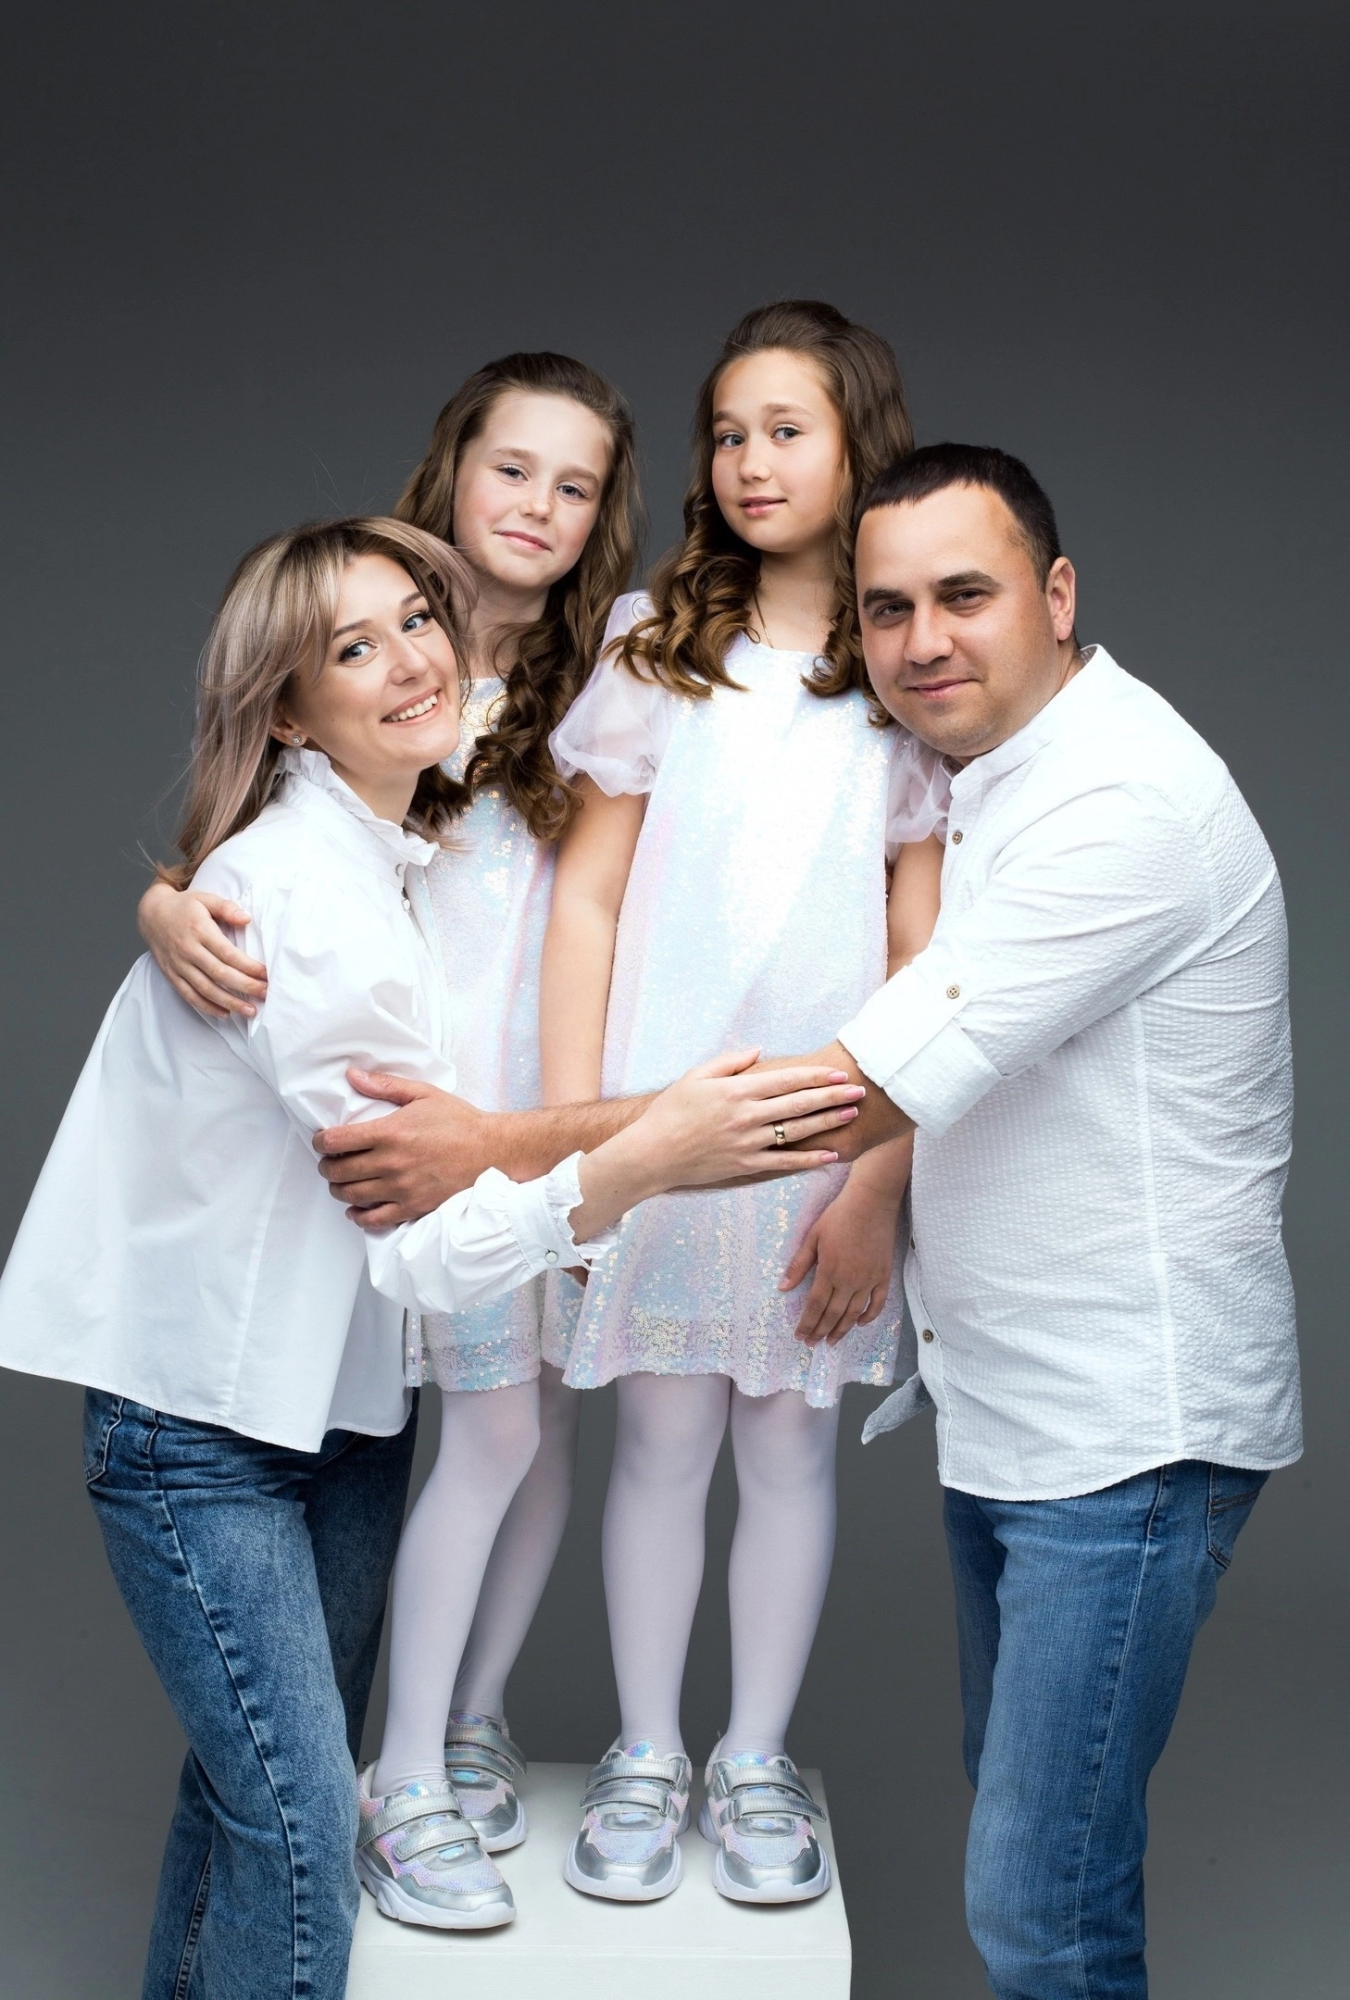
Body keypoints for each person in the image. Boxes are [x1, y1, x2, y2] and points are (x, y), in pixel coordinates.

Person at [315, 448, 1301, 1995]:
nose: (921, 640)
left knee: (1041, 1905)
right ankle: (619, 1754)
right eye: (889, 606)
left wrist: (495, 1147)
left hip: (1123, 1431)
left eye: (964, 596)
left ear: (1056, 595)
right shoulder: (995, 777)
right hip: (1025, 1415)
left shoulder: (1120, 806)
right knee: (1036, 1854)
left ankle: (737, 1763)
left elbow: (854, 1089)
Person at [0, 516, 862, 1997]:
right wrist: (646, 1155)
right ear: (288, 710)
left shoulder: (395, 840)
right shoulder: (296, 900)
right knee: (296, 1826)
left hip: (330, 1412)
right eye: (353, 647)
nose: (411, 662)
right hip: (199, 1425)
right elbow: (423, 1249)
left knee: (244, 1798)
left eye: (417, 620)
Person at [339, 298, 949, 1909]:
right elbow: (587, 904)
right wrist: (587, 1141)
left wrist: (875, 1182)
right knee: (661, 1448)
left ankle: (752, 1756)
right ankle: (648, 1749)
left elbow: (920, 954)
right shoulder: (652, 652)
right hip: (657, 1137)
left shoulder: (899, 682)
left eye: (786, 431)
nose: (750, 460)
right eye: (726, 433)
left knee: (791, 1457)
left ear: (858, 447)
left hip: (817, 1148)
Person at [137, 352, 641, 1876]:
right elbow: (255, 836)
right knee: (490, 1424)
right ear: (450, 467)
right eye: (511, 468)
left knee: (540, 1426)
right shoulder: (365, 639)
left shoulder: (607, 672)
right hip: (409, 1096)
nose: (537, 506)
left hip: (547, 1095)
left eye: (575, 485)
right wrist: (163, 902)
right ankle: (402, 1765)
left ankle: (469, 1720)